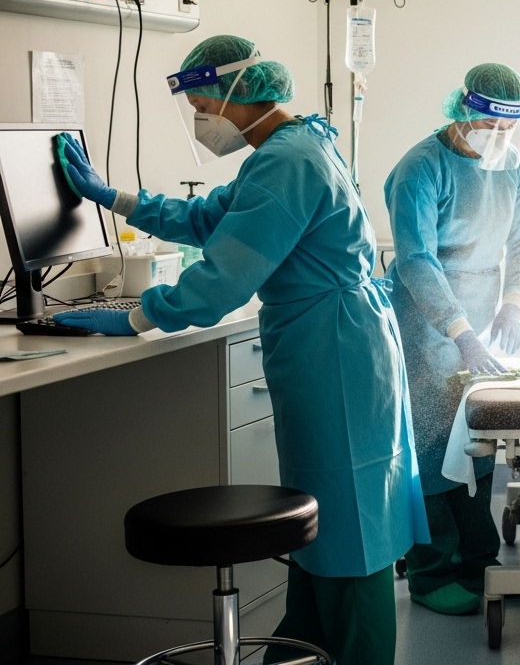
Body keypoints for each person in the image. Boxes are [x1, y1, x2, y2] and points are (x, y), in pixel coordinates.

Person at [54, 35, 428, 665]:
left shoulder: (288, 160)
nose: (202, 120)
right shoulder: (292, 144)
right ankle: (300, 649)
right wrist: (113, 197)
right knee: (329, 518)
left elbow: (225, 277)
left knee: (350, 525)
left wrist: (141, 315)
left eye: (203, 105)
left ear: (238, 94)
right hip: (335, 339)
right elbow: (210, 221)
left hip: (333, 349)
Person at [384, 63, 520, 615]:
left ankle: (480, 562)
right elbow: (416, 260)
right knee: (430, 445)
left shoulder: (511, 166)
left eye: (507, 129)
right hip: (426, 317)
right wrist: (459, 331)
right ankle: (430, 573)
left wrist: (514, 303)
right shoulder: (421, 169)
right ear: (463, 110)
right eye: (489, 125)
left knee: (476, 441)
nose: (497, 139)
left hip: (480, 312)